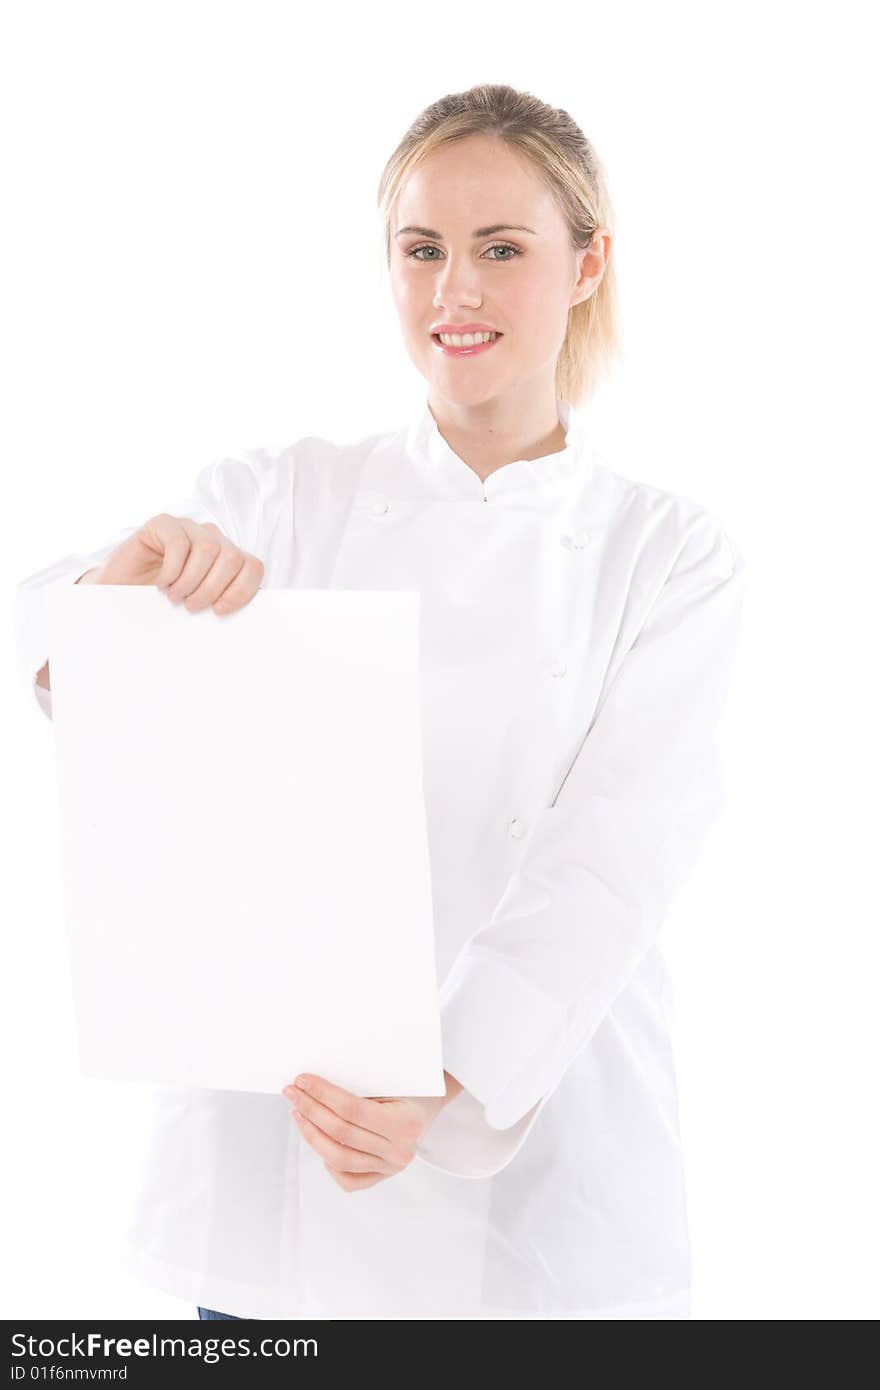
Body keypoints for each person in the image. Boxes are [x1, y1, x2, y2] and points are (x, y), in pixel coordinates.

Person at [15, 83, 746, 1321]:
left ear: (586, 265)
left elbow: (615, 853)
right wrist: (112, 597)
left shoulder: (664, 549)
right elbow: (75, 680)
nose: (454, 291)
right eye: (423, 251)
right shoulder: (276, 495)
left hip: (539, 1171)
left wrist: (447, 1078)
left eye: (501, 249)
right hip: (283, 1170)